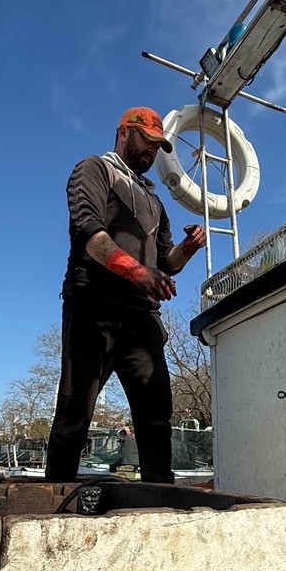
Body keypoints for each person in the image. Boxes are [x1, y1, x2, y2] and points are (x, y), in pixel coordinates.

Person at [45, 106, 206, 484]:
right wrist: (137, 273)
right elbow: (89, 234)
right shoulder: (95, 169)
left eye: (157, 145)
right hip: (94, 306)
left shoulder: (154, 201)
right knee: (75, 412)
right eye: (147, 141)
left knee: (156, 418)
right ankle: (53, 506)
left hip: (142, 317)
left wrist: (188, 247)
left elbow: (165, 263)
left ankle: (160, 503)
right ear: (124, 133)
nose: (152, 151)